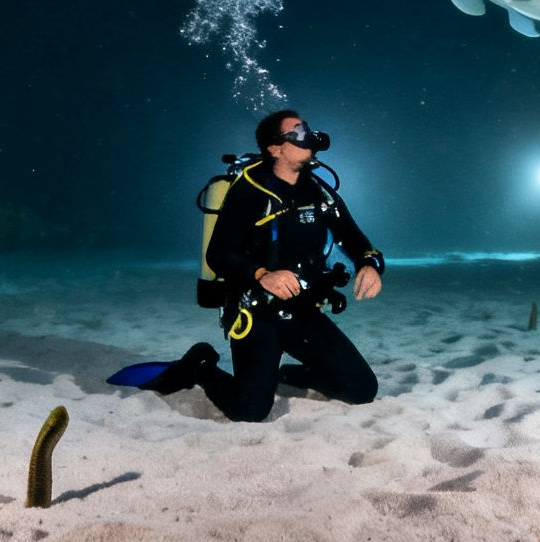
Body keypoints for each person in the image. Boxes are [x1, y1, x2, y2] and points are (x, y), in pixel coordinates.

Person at [157, 109, 385, 422]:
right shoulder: (250, 191)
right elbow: (219, 255)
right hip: (257, 313)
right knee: (250, 410)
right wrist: (262, 274)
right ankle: (201, 366)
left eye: (307, 129)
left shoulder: (319, 191)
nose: (309, 136)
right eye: (298, 133)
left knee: (362, 389)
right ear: (275, 149)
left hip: (303, 310)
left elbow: (356, 240)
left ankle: (293, 373)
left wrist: (369, 265)